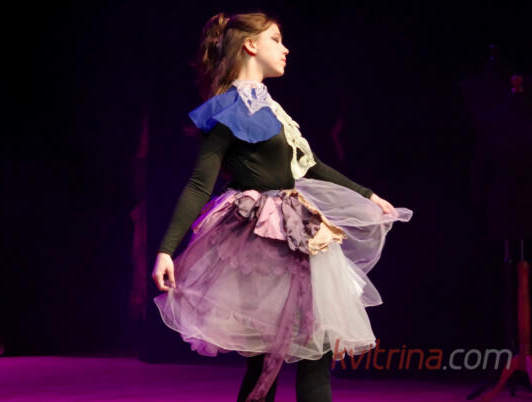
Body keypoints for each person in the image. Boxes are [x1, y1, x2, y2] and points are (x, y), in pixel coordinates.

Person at [151, 11, 413, 402]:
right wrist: (166, 250)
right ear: (250, 45)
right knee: (266, 360)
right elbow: (199, 184)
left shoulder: (270, 106)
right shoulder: (229, 108)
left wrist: (367, 194)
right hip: (263, 237)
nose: (285, 48)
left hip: (300, 230)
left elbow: (310, 164)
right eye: (275, 39)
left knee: (316, 348)